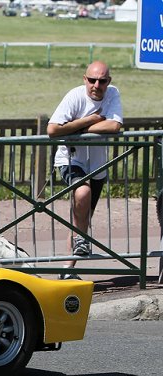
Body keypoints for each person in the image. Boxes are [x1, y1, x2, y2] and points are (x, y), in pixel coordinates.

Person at [47, 61, 123, 279]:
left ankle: (68, 269)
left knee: (82, 217)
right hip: (71, 160)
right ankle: (79, 248)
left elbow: (114, 126)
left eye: (102, 81)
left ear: (109, 82)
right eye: (92, 80)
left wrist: (77, 127)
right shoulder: (74, 96)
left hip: (97, 166)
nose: (96, 85)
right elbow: (52, 129)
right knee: (82, 193)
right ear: (84, 79)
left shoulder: (113, 94)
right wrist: (89, 120)